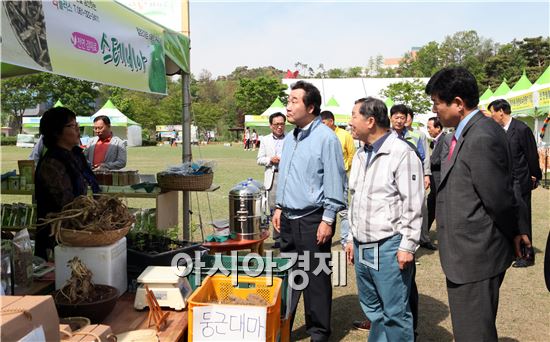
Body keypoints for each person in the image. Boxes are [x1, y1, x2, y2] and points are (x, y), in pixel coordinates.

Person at [425, 66, 520, 341]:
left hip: (477, 255)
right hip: (464, 255)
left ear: (458, 103)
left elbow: (499, 199)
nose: (435, 110)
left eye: (437, 104)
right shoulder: (464, 132)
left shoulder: (482, 135)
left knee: (474, 333)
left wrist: (515, 232)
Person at [272, 81, 346, 341]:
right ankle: (282, 327)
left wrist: (327, 219)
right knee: (290, 274)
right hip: (289, 219)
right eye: (288, 100)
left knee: (315, 278)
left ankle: (319, 333)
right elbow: (286, 176)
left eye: (294, 101)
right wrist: (279, 206)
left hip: (313, 218)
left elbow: (336, 184)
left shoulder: (326, 138)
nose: (288, 106)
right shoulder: (291, 138)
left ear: (311, 107)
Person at [346, 97, 423, 342]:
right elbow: (354, 199)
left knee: (395, 312)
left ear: (370, 121)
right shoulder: (359, 155)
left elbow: (413, 202)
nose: (350, 123)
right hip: (362, 244)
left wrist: (407, 245)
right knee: (373, 309)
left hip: (388, 246)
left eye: (354, 116)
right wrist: (350, 237)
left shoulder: (401, 153)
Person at [34, 107, 100, 260]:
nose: (78, 129)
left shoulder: (76, 154)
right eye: (72, 126)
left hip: (81, 230)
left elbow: (90, 186)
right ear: (56, 132)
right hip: (59, 237)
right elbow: (67, 206)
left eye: (77, 124)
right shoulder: (52, 162)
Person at [489, 98, 542, 267]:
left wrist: (535, 175)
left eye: (492, 112)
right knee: (510, 216)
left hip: (521, 180)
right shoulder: (498, 131)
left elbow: (531, 155)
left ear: (501, 111)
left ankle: (528, 255)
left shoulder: (521, 129)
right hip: (505, 182)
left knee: (523, 218)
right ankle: (513, 251)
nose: (491, 116)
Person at [390, 104, 435, 250]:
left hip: (414, 177)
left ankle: (422, 238)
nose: (399, 120)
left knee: (419, 207)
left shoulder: (416, 135)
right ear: (391, 118)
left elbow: (424, 157)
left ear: (407, 119)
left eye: (402, 117)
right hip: (393, 178)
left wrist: (426, 174)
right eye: (396, 117)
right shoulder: (386, 135)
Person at [320, 110, 356, 249]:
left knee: (343, 210)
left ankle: (345, 240)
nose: (321, 125)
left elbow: (351, 154)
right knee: (326, 209)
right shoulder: (320, 136)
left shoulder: (344, 135)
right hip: (324, 178)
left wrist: (343, 168)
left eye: (323, 123)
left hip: (340, 177)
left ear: (331, 121)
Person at [257, 112, 286, 248]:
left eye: (282, 124)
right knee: (274, 209)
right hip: (273, 177)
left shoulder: (291, 139)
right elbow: (259, 159)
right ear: (271, 126)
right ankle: (278, 239)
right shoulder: (265, 140)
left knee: (289, 208)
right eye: (276, 124)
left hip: (288, 177)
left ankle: (289, 238)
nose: (279, 127)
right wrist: (270, 160)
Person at [426, 116, 447, 232]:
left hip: (439, 180)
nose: (428, 130)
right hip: (434, 181)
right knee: (430, 207)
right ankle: (423, 235)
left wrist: (426, 162)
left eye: (429, 127)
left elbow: (441, 159)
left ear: (438, 128)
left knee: (438, 209)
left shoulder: (445, 139)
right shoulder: (434, 142)